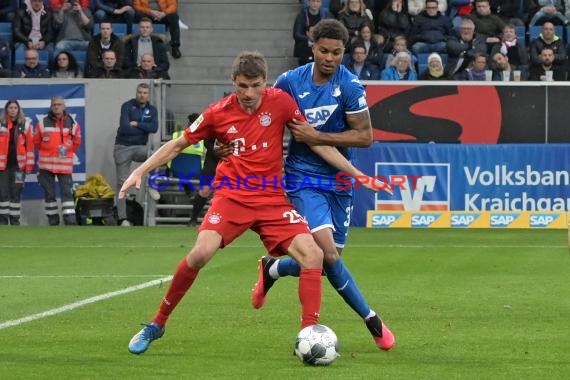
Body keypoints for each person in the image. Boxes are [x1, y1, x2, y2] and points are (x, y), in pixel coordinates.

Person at [124, 51, 325, 355]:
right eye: (242, 85)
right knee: (200, 253)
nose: (248, 93)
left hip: (271, 197)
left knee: (313, 255)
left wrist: (349, 170)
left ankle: (308, 335)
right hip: (232, 195)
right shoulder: (218, 112)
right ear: (233, 82)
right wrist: (140, 170)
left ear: (265, 82)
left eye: (254, 85)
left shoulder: (282, 102)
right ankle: (157, 323)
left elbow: (310, 138)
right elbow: (178, 145)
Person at [250, 19, 396, 351]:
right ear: (312, 47)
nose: (330, 58)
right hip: (303, 178)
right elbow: (265, 120)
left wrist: (318, 135)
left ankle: (273, 268)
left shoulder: (350, 86)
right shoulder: (289, 82)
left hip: (340, 178)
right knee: (327, 254)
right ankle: (372, 319)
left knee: (331, 260)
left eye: (337, 52)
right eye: (324, 50)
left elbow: (365, 137)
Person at [113, 83, 158, 227]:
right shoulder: (127, 106)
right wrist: (144, 129)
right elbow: (125, 128)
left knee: (155, 155)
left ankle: (153, 184)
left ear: (148, 95)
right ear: (136, 93)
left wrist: (137, 124)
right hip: (122, 147)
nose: (142, 95)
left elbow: (154, 127)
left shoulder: (152, 110)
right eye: (140, 92)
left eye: (145, 92)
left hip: (140, 148)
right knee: (122, 184)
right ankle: (122, 219)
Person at [34, 96, 82, 226]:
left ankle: (70, 221)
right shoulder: (42, 123)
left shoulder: (73, 123)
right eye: (54, 104)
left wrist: (67, 150)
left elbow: (77, 142)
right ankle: (53, 221)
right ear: (51, 106)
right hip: (46, 166)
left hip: (64, 166)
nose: (56, 107)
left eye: (59, 104)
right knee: (49, 195)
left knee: (67, 194)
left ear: (64, 106)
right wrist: (48, 151)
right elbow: (36, 142)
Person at [0, 100, 35, 225]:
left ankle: (15, 221)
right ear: (6, 109)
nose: (13, 110)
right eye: (10, 107)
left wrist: (29, 164)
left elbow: (30, 147)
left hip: (19, 167)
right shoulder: (1, 124)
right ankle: (3, 222)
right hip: (2, 166)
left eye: (15, 107)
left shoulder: (26, 125)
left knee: (16, 192)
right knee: (3, 193)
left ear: (19, 110)